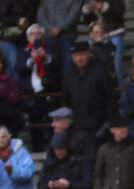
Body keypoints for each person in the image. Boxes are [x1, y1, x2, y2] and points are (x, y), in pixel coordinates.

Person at [17, 23, 60, 153]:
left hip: (48, 94)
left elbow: (58, 67)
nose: (35, 36)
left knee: (53, 126)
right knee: (35, 128)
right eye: (32, 34)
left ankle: (54, 152)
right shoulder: (23, 51)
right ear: (27, 36)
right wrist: (31, 60)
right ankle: (37, 152)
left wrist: (46, 56)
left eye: (38, 34)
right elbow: (18, 69)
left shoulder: (50, 49)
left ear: (42, 36)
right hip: (32, 96)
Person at [60, 39, 115, 135]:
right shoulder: (68, 75)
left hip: (98, 125)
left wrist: (108, 121)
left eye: (82, 54)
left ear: (89, 54)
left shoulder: (100, 71)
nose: (79, 58)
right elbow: (65, 100)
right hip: (77, 126)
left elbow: (111, 97)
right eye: (76, 56)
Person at [80, 0, 124, 85]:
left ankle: (120, 95)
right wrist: (87, 11)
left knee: (116, 67)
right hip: (95, 35)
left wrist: (104, 7)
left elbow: (119, 15)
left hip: (114, 34)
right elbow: (87, 22)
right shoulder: (89, 1)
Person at [37, 0, 81, 66]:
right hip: (49, 36)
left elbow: (74, 13)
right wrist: (49, 28)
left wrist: (60, 28)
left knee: (67, 64)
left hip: (67, 36)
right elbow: (40, 15)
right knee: (50, 65)